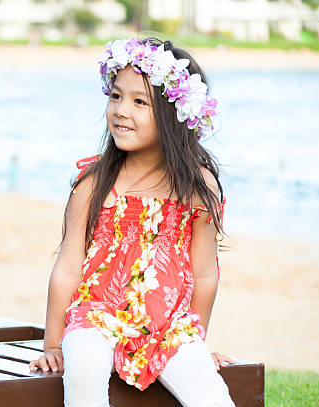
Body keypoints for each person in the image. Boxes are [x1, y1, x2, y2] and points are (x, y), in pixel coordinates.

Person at [28, 37, 236, 407]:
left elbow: (205, 274)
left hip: (169, 326)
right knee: (86, 370)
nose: (121, 110)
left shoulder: (196, 188)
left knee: (210, 394)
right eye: (116, 97)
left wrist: (196, 341)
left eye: (140, 101)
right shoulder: (93, 183)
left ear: (176, 114)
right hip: (96, 318)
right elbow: (67, 268)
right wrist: (53, 344)